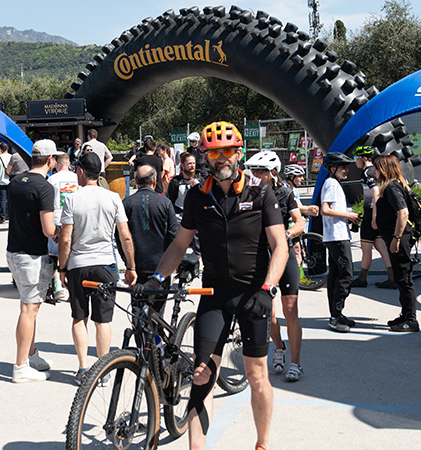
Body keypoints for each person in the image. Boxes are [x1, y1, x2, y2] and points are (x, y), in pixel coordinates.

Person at [148, 121, 289, 450]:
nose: (221, 158)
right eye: (214, 153)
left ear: (239, 154)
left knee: (256, 375)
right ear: (205, 157)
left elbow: (280, 246)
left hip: (253, 294)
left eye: (227, 151)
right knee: (202, 375)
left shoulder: (260, 191)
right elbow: (179, 245)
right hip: (214, 294)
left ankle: (262, 443)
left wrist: (268, 289)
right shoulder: (198, 196)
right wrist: (157, 278)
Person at [58, 151, 137, 385]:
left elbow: (65, 239)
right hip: (105, 264)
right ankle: (103, 369)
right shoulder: (113, 198)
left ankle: (83, 368)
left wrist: (62, 268)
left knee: (79, 317)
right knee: (103, 320)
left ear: (81, 172)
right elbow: (125, 236)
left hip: (79, 265)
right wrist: (130, 266)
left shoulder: (72, 199)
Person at [6, 139, 63, 383]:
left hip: (14, 251)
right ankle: (20, 367)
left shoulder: (16, 181)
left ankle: (30, 355)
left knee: (29, 307)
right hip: (32, 255)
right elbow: (48, 229)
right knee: (29, 310)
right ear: (50, 159)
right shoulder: (45, 187)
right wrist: (60, 231)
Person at [246, 151, 305, 382]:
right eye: (253, 170)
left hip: (284, 254)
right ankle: (279, 347)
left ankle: (296, 363)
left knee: (290, 310)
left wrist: (285, 236)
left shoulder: (285, 192)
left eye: (260, 171)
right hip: (262, 256)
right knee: (267, 314)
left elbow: (299, 223)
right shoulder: (250, 193)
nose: (255, 174)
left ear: (272, 172)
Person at [117, 164, 178, 315]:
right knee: (157, 312)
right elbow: (173, 236)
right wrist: (172, 262)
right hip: (161, 268)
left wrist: (128, 263)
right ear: (155, 181)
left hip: (136, 267)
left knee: (137, 312)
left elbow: (120, 237)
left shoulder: (127, 203)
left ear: (136, 180)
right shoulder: (165, 203)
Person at [373, 154, 419, 332]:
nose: (375, 172)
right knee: (401, 279)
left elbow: (403, 213)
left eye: (377, 168)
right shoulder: (396, 185)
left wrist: (396, 238)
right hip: (397, 237)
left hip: (399, 239)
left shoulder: (392, 187)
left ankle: (411, 320)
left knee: (404, 279)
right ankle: (405, 314)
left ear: (384, 169)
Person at [320, 152, 361, 333]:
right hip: (337, 238)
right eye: (343, 167)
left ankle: (336, 313)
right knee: (346, 275)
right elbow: (325, 209)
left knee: (336, 276)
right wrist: (348, 215)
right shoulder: (331, 183)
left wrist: (348, 216)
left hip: (336, 236)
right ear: (332, 168)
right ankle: (335, 316)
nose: (346, 170)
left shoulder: (334, 183)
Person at [351, 146, 395, 289]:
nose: (355, 161)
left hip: (372, 212)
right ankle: (392, 277)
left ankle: (362, 279)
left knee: (366, 246)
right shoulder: (373, 170)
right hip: (375, 212)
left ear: (364, 158)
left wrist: (374, 217)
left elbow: (375, 194)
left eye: (356, 158)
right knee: (380, 245)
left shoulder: (368, 172)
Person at [47, 153, 79, 301]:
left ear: (57, 163)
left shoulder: (52, 179)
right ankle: (72, 288)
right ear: (69, 163)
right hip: (73, 219)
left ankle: (57, 286)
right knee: (71, 254)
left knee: (54, 255)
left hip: (56, 219)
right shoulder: (76, 178)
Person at [0, 143, 11, 223]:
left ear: (0, 149)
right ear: (7, 148)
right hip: (11, 182)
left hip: (1, 182)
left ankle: (3, 217)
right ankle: (11, 215)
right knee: (11, 200)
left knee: (2, 200)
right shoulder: (11, 157)